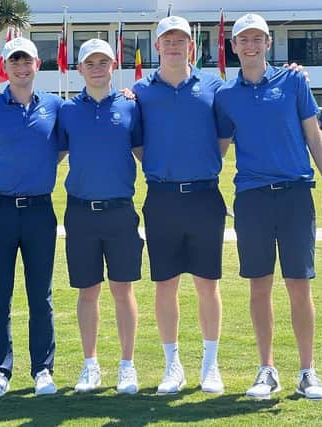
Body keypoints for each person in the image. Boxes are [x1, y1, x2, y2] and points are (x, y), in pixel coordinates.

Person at [214, 13, 322, 401]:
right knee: (259, 288)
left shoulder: (294, 81)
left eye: (257, 39)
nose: (250, 46)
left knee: (299, 286)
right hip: (251, 198)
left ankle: (307, 372)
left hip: (295, 194)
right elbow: (216, 152)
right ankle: (266, 370)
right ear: (232, 47)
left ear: (268, 43)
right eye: (243, 40)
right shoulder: (225, 96)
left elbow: (314, 137)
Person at [132, 15, 228, 395]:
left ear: (192, 45)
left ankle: (210, 365)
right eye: (167, 41)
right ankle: (173, 366)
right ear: (157, 46)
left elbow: (222, 139)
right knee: (165, 285)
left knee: (208, 283)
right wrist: (164, 167)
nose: (174, 46)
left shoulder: (213, 86)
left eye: (181, 40)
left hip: (205, 196)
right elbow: (138, 144)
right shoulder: (140, 91)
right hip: (162, 197)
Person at [0, 37, 61, 398]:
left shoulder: (54, 106)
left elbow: (63, 145)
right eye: (14, 62)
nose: (21, 68)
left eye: (27, 62)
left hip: (39, 211)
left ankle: (43, 370)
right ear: (5, 67)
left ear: (38, 65)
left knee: (41, 296)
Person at [56, 39, 144, 395]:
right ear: (80, 69)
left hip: (120, 211)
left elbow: (144, 152)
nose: (96, 68)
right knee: (87, 292)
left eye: (102, 62)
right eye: (89, 63)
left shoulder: (131, 107)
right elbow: (51, 153)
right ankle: (90, 365)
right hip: (80, 213)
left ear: (113, 66)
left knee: (123, 291)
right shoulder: (66, 111)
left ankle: (127, 366)